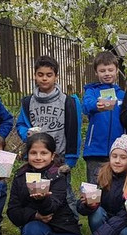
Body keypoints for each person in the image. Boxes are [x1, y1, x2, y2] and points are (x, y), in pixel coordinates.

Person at [7, 133, 92, 235]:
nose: (38, 157)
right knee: (33, 231)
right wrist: (34, 215)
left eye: (44, 153)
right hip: (36, 226)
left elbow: (52, 207)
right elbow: (12, 211)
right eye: (33, 153)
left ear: (52, 156)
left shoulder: (59, 175)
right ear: (27, 155)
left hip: (63, 227)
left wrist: (42, 199)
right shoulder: (20, 176)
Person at [16, 55, 82, 216]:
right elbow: (21, 124)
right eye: (40, 74)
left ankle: (71, 220)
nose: (44, 78)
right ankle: (34, 219)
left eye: (49, 75)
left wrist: (71, 159)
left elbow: (75, 130)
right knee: (35, 191)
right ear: (35, 75)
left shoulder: (68, 102)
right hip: (36, 157)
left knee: (64, 193)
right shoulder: (28, 102)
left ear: (56, 76)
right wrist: (27, 134)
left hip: (59, 158)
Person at [81, 134, 127, 235]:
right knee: (96, 213)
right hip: (105, 218)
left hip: (125, 222)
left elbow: (125, 216)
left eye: (123, 157)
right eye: (114, 156)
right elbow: (80, 209)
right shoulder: (99, 173)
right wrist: (86, 205)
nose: (117, 161)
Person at [82, 52, 125, 184]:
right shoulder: (92, 91)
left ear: (116, 71)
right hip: (95, 150)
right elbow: (86, 106)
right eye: (102, 70)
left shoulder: (122, 95)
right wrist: (96, 105)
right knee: (94, 187)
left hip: (118, 151)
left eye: (110, 70)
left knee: (115, 186)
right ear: (96, 72)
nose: (107, 73)